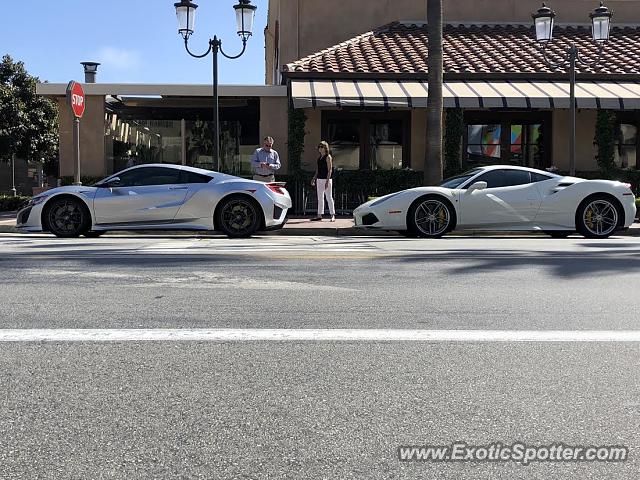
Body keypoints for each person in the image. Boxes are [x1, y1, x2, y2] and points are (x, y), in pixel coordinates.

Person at [311, 141, 336, 222]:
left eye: (321, 147)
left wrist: (327, 181)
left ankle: (332, 215)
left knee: (329, 197)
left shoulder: (328, 157)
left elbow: (330, 170)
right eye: (319, 147)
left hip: (327, 180)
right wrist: (314, 178)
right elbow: (318, 169)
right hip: (319, 179)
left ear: (325, 148)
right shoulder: (319, 158)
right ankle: (319, 215)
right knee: (320, 198)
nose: (320, 148)